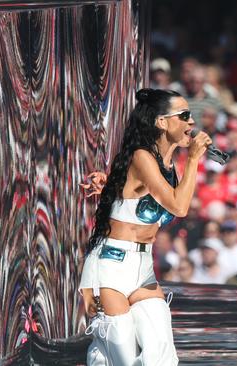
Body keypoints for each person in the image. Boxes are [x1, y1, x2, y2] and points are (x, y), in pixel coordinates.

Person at [78, 88, 212, 365]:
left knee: (159, 352)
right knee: (123, 357)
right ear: (161, 122)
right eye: (184, 115)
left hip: (143, 267)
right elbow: (179, 207)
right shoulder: (142, 156)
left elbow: (129, 197)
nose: (191, 123)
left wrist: (107, 187)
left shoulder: (167, 163)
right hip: (112, 264)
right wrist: (196, 160)